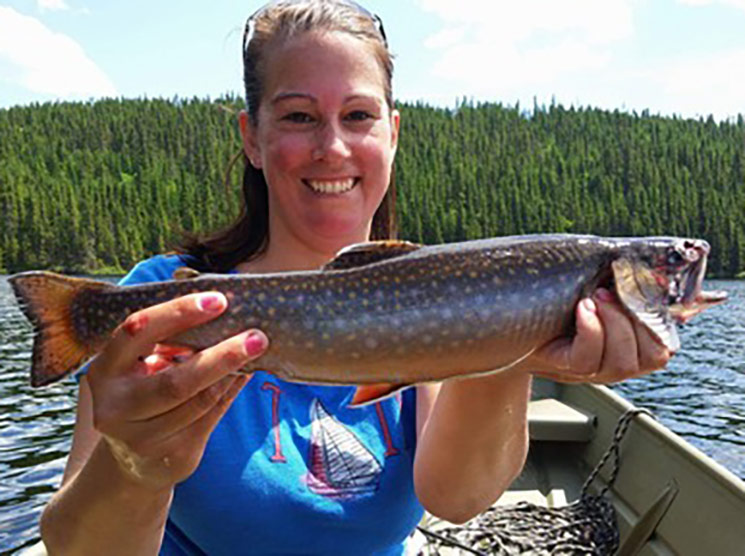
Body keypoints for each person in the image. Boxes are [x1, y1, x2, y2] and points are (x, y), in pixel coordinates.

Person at [38, 1, 672, 554]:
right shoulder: (164, 300)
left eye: (359, 116)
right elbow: (79, 552)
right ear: (252, 138)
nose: (332, 148)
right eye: (298, 117)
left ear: (392, 136)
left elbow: (456, 499)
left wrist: (514, 341)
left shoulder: (447, 288)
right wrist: (136, 464)